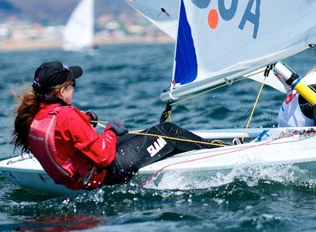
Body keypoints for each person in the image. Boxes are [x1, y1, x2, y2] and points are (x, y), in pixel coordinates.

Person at [12, 61, 213, 191]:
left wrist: (85, 119)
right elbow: (103, 157)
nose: (74, 88)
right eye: (73, 84)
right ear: (61, 91)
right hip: (106, 173)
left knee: (149, 133)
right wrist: (110, 131)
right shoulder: (67, 117)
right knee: (167, 132)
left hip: (78, 177)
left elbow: (61, 137)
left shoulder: (33, 113)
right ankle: (217, 152)